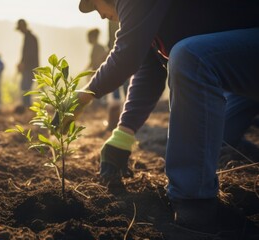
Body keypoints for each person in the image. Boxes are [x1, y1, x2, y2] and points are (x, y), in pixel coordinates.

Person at [69, 0, 259, 237]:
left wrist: (80, 98)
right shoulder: (153, 20)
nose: (99, 16)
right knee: (224, 138)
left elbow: (125, 55)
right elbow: (149, 72)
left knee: (192, 58)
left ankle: (194, 207)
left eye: (95, 7)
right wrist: (122, 136)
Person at [15, 19, 39, 113]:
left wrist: (23, 64)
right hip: (29, 67)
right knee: (25, 87)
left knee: (26, 87)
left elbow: (30, 54)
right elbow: (25, 54)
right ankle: (26, 107)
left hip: (30, 68)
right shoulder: (28, 37)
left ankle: (27, 107)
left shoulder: (30, 38)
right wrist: (21, 62)